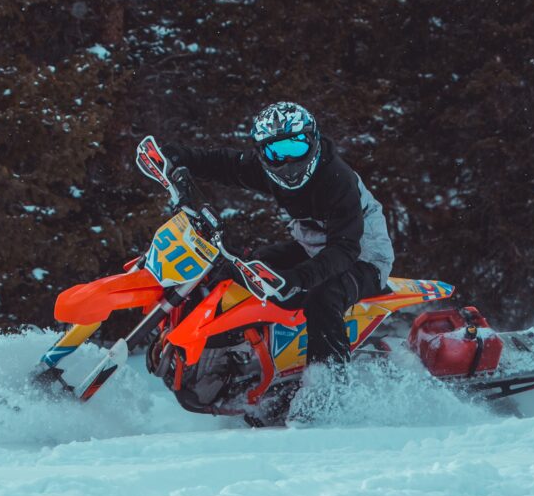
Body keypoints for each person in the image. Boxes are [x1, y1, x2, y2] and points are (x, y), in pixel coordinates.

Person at [160, 101, 395, 368]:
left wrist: (298, 278)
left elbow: (345, 249)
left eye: (297, 147)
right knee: (246, 268)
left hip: (364, 257)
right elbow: (225, 164)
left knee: (323, 297)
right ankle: (239, 358)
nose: (288, 162)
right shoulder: (267, 171)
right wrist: (177, 156)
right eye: (276, 151)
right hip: (314, 247)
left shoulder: (337, 179)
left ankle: (328, 388)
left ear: (314, 140)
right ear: (262, 153)